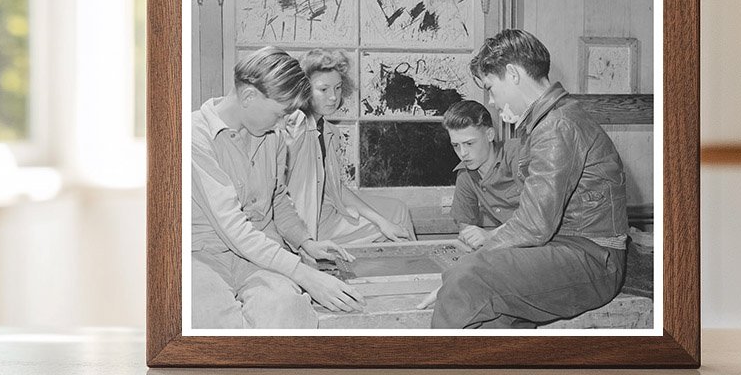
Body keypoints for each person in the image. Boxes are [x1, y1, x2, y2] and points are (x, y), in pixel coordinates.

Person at [431, 29, 629, 329]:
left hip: (592, 259)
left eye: (491, 88)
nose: (493, 102)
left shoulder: (557, 124)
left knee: (468, 277)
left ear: (512, 74)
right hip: (570, 249)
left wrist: (458, 280)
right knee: (487, 309)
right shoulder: (549, 121)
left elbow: (534, 226)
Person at [189, 46, 364, 329]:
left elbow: (277, 196)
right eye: (280, 113)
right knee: (212, 321)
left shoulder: (270, 132)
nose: (284, 122)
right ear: (248, 96)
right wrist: (306, 276)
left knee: (289, 312)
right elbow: (232, 227)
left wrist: (306, 242)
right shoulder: (194, 137)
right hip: (203, 258)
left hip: (259, 254)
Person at [285, 48, 415, 245]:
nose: (333, 97)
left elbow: (336, 188)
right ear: (304, 90)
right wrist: (382, 224)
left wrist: (381, 221)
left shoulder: (329, 131)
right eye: (323, 89)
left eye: (337, 88)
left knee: (398, 209)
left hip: (331, 206)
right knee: (395, 223)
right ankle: (410, 272)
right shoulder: (295, 129)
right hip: (309, 224)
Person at [442, 99, 523, 248]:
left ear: (490, 135)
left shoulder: (517, 154)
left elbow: (538, 215)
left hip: (548, 243)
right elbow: (465, 227)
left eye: (469, 143)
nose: (463, 153)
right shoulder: (465, 175)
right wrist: (471, 237)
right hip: (509, 247)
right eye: (456, 146)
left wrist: (491, 235)